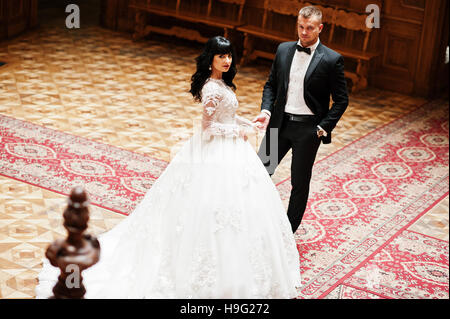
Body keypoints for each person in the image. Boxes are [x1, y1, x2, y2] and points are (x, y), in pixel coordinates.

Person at [35, 36, 301, 299]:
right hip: (216, 151)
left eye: (229, 55)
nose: (227, 60)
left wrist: (246, 124)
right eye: (221, 56)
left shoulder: (223, 85)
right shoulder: (210, 88)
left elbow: (226, 115)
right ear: (211, 59)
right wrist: (237, 132)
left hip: (232, 150)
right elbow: (208, 129)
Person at [253, 5, 349, 234]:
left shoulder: (332, 60)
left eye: (309, 28)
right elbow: (271, 85)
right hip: (279, 123)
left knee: (299, 183)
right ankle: (253, 221)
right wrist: (266, 110)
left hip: (308, 130)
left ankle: (287, 232)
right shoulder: (284, 50)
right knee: (258, 172)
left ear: (320, 28)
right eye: (300, 26)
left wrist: (322, 128)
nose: (304, 32)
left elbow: (341, 100)